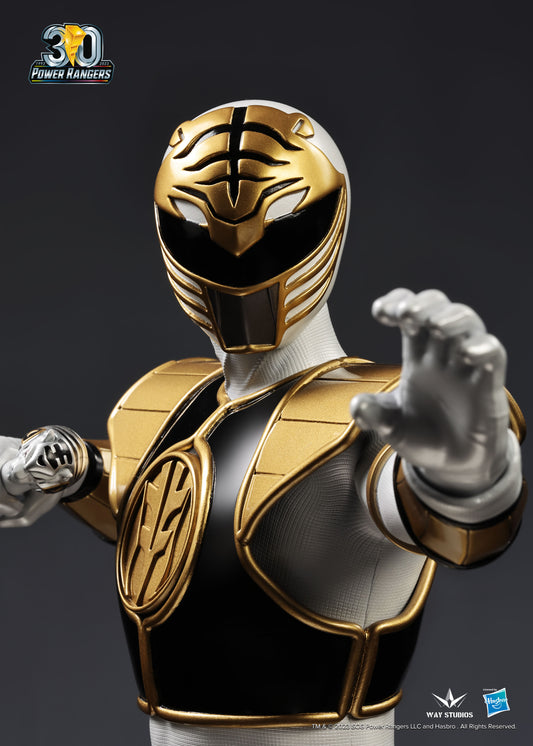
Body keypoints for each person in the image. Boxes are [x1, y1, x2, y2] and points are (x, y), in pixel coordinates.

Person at [0, 101, 525, 746]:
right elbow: (168, 521)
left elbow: (447, 518)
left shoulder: (373, 416)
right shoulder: (173, 398)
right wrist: (69, 468)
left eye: (276, 224)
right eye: (199, 227)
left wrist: (470, 475)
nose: (239, 254)